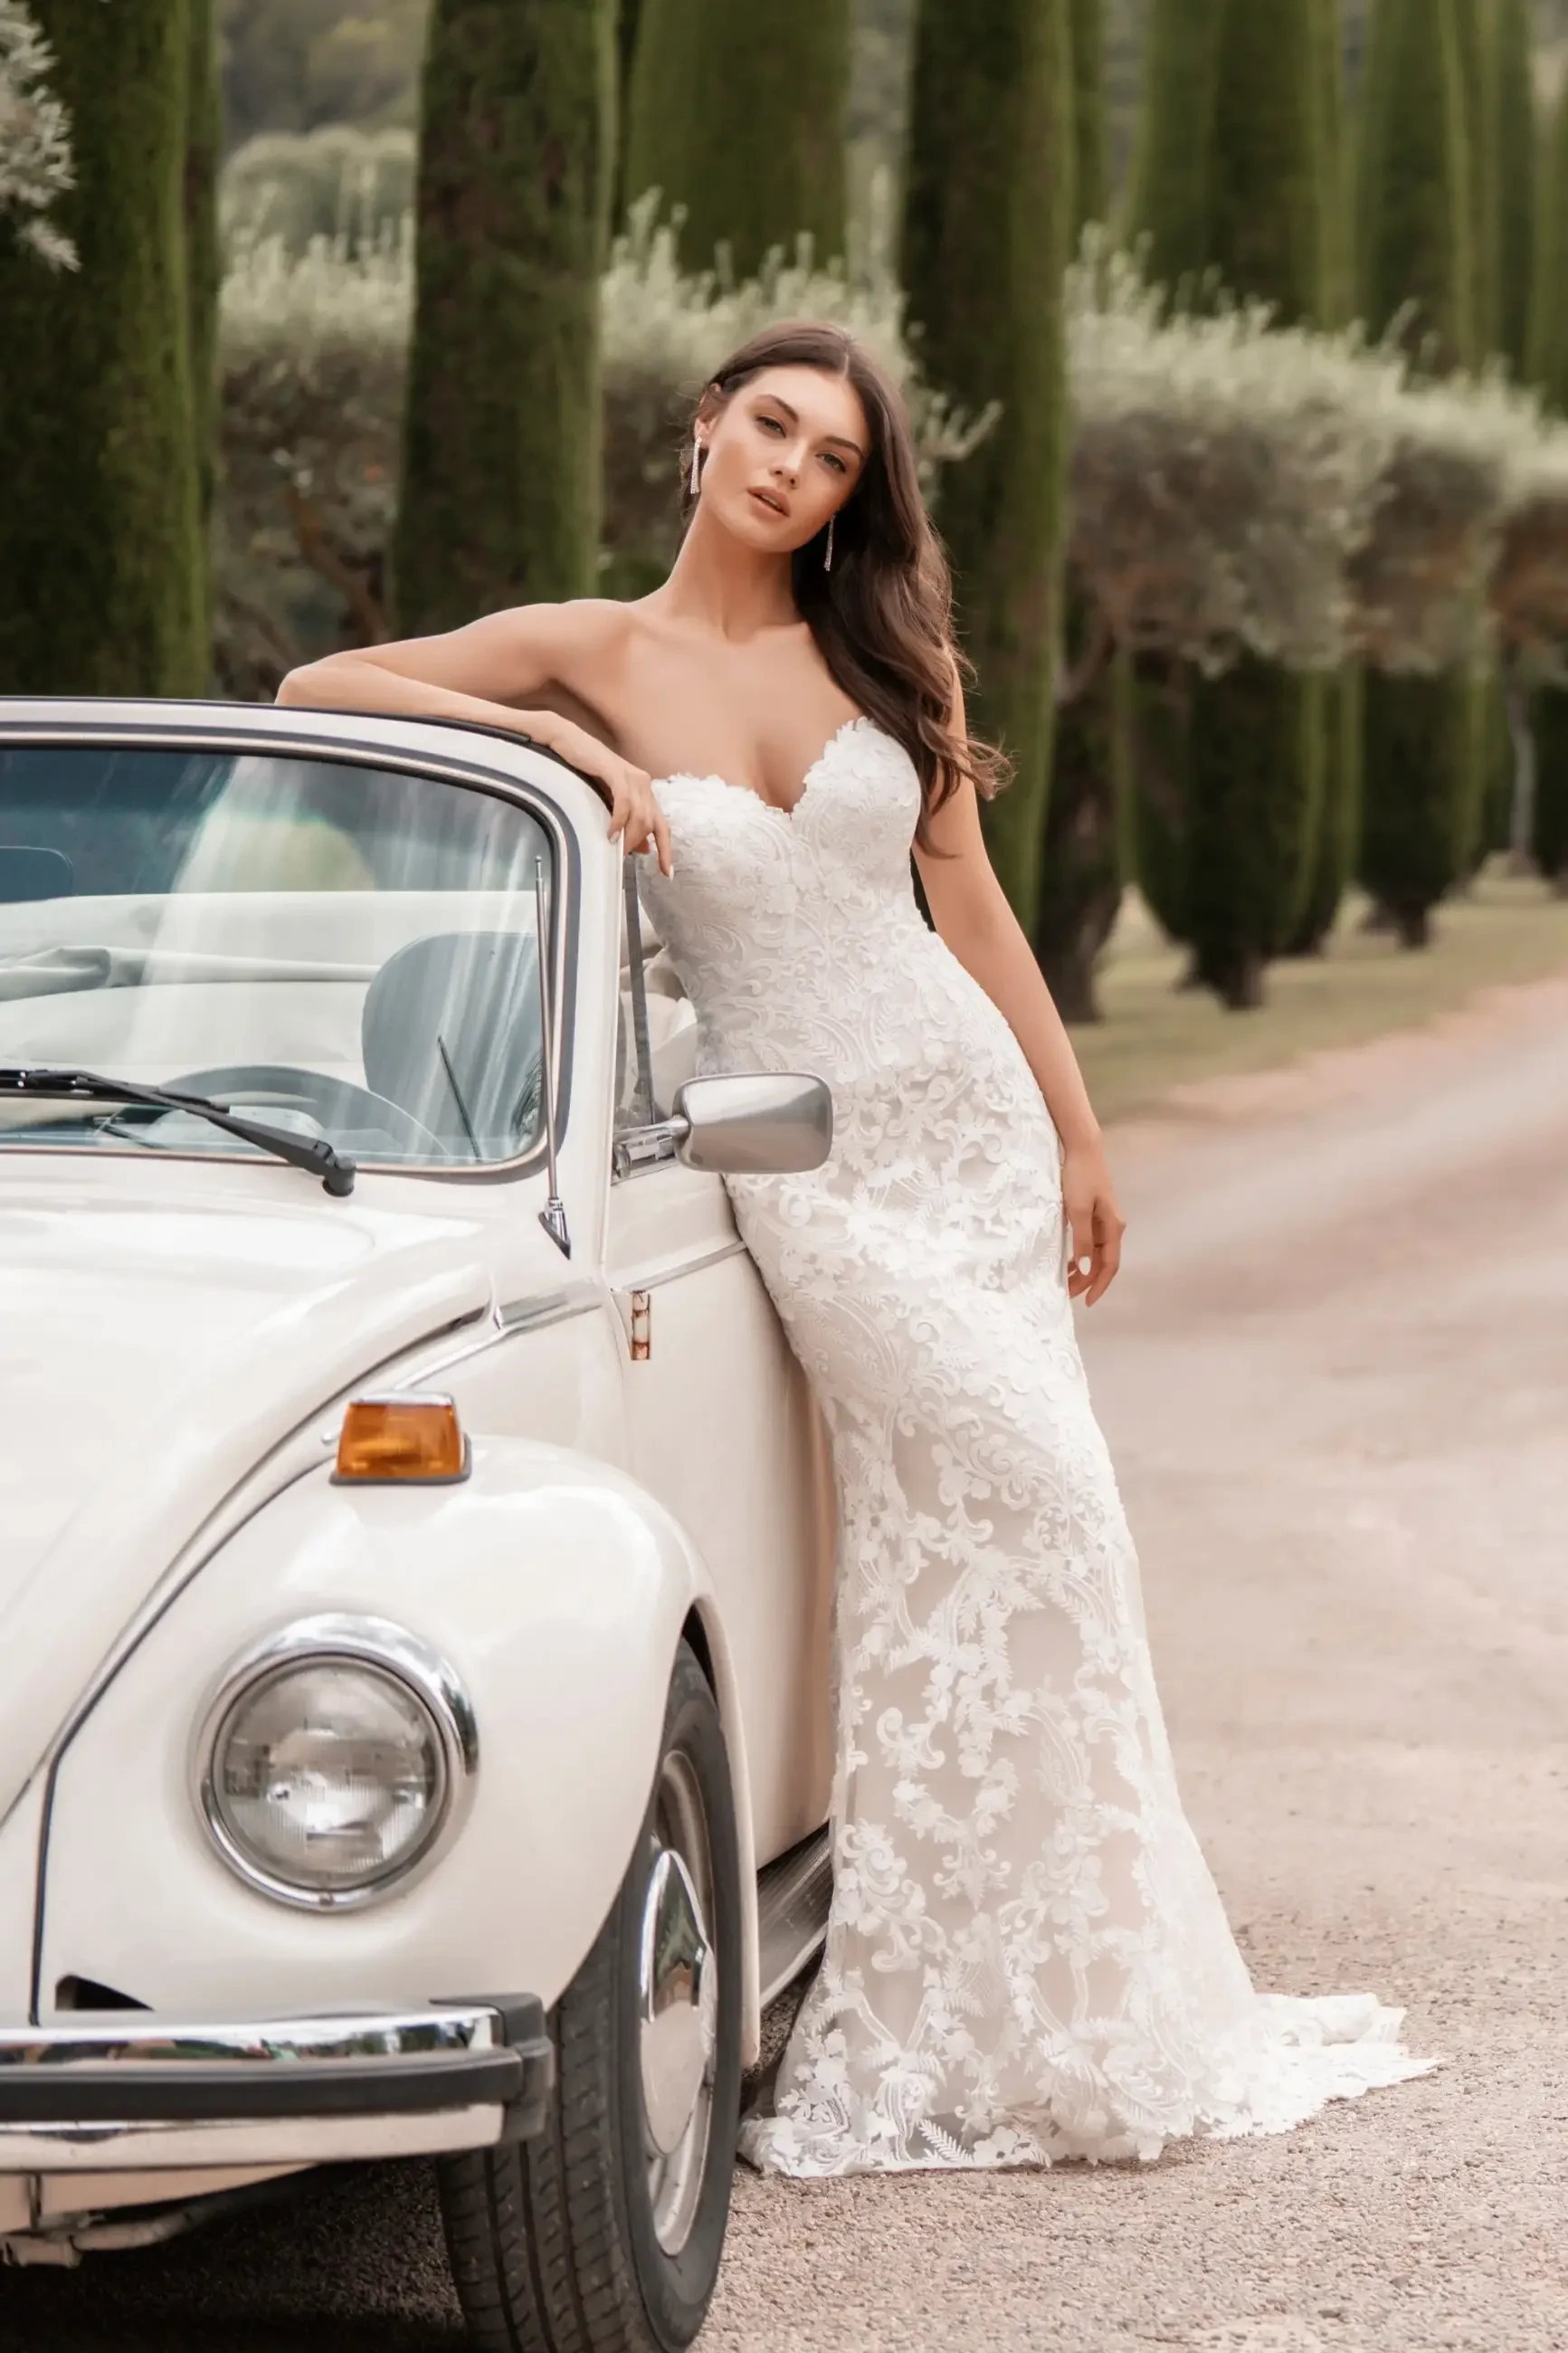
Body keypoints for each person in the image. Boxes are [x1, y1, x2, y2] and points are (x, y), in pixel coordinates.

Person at [276, 320, 1436, 2179]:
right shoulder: (593, 648)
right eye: (768, 428)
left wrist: (1071, 1128)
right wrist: (549, 741)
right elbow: (317, 677)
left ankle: (1062, 1977)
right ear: (698, 435)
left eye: (827, 458)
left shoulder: (885, 662)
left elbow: (965, 909)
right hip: (801, 1160)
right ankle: (965, 1980)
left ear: (846, 500)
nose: (789, 470)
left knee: (1034, 1524)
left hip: (959, 1130)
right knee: (990, 1521)